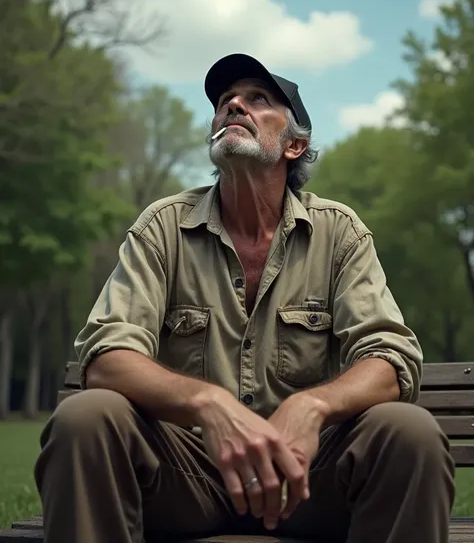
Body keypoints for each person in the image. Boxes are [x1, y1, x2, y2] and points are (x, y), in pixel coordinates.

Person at [35, 53, 455, 543]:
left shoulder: (340, 233)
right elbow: (106, 357)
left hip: (306, 480)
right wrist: (208, 404)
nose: (233, 104)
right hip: (188, 477)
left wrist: (311, 408)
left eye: (258, 98)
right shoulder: (162, 226)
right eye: (223, 101)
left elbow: (390, 356)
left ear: (295, 145)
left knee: (410, 433)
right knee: (84, 419)